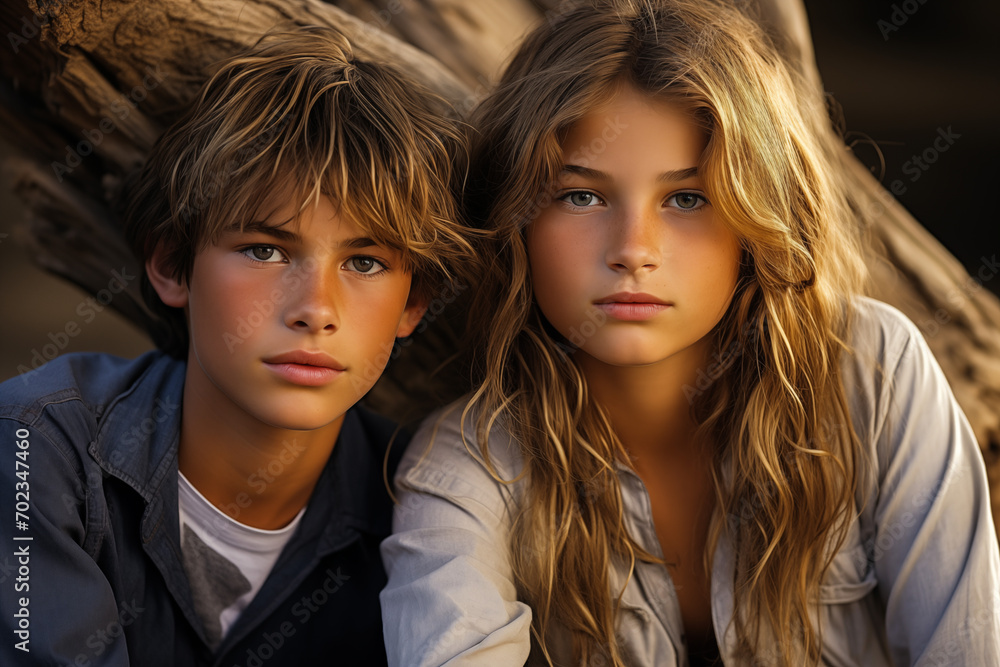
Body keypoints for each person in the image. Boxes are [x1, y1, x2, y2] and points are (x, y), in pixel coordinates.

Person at [379, 1, 1000, 665]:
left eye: (687, 198)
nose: (633, 250)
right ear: (515, 221)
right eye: (581, 195)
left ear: (757, 217)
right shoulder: (465, 466)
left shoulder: (872, 371)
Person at [0, 26, 476, 666]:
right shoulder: (35, 447)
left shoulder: (424, 516)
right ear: (172, 266)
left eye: (364, 263)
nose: (315, 310)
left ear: (413, 304)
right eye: (265, 250)